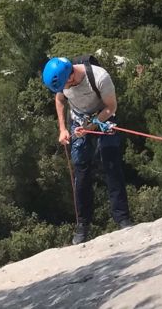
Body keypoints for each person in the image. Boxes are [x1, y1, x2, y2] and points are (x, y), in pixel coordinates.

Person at [43, 56, 133, 244]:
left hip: (104, 117)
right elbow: (60, 101)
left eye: (65, 86)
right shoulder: (63, 83)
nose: (64, 90)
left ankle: (123, 218)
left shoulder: (100, 77)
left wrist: (92, 127)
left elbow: (111, 107)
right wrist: (62, 129)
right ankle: (83, 225)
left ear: (71, 76)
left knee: (110, 163)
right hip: (79, 121)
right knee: (81, 172)